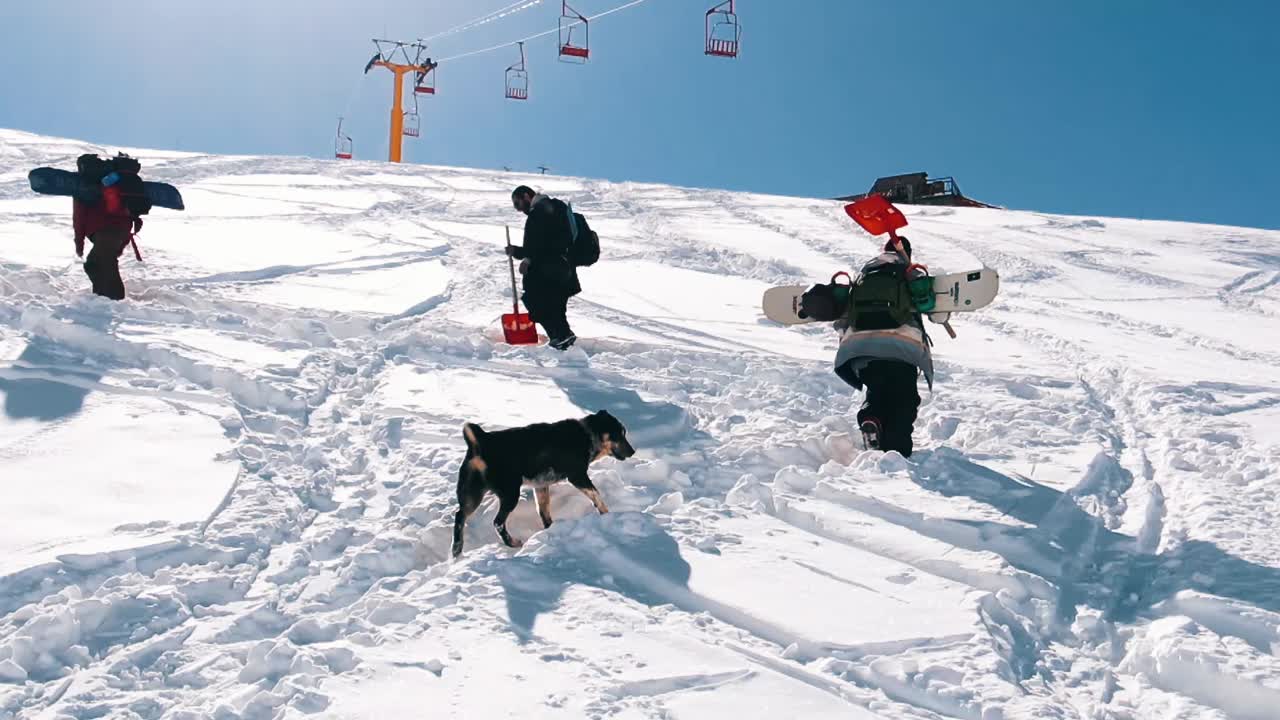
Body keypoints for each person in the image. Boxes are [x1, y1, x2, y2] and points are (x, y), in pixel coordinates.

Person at [829, 236, 943, 457]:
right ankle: (896, 453)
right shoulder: (910, 273)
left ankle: (871, 419)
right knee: (905, 399)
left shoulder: (863, 274)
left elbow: (843, 315)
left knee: (878, 393)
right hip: (901, 348)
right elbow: (931, 307)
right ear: (906, 253)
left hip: (860, 349)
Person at [507, 185, 581, 350]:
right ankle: (564, 339)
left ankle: (560, 336)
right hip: (565, 267)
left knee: (534, 300)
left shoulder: (539, 212)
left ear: (526, 196)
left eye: (517, 204)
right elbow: (547, 241)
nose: (518, 209)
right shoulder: (555, 208)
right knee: (555, 304)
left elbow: (538, 245)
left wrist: (521, 254)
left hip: (548, 267)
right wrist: (521, 253)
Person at [72, 154, 144, 301]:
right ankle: (102, 299)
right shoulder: (116, 181)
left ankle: (114, 301)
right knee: (98, 263)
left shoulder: (84, 186)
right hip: (121, 230)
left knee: (98, 264)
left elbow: (79, 216)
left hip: (104, 230)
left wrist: (79, 243)